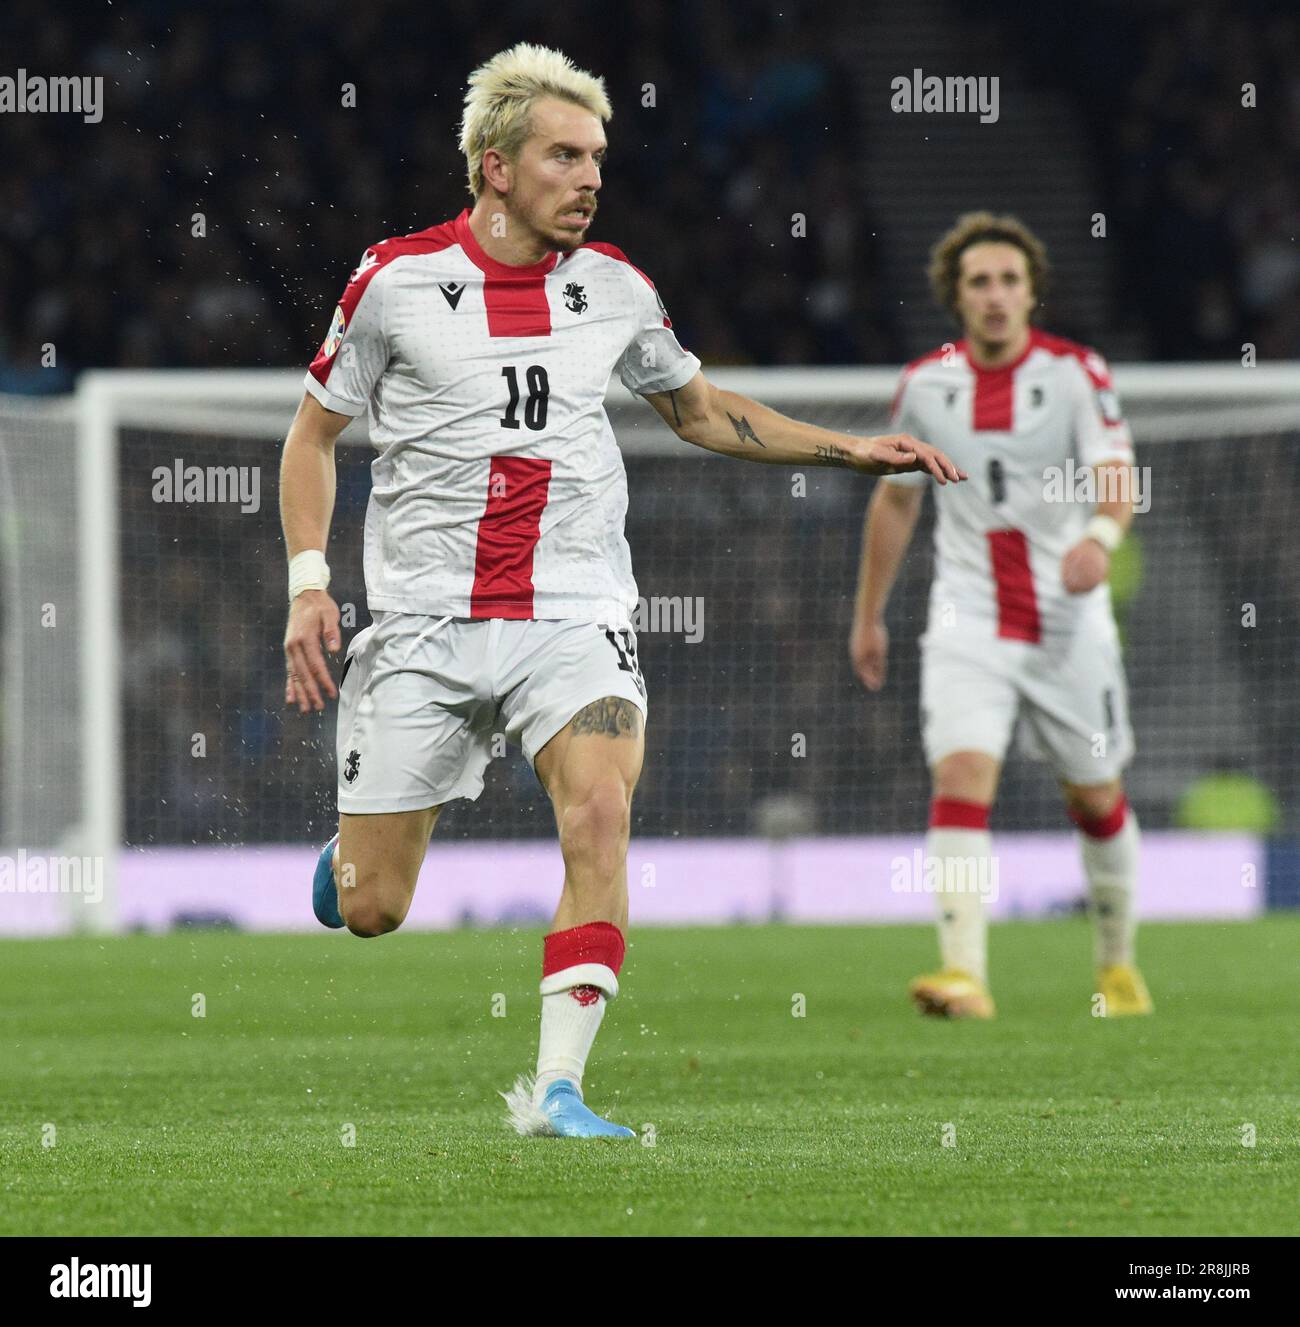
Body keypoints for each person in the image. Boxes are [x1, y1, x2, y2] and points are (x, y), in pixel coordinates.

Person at [280, 43, 964, 1138]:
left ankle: (557, 1089)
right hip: (423, 622)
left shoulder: (616, 288)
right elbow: (310, 439)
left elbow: (697, 411)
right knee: (372, 907)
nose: (590, 175)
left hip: (575, 614)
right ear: (497, 168)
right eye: (564, 155)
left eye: (597, 154)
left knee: (598, 813)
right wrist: (310, 583)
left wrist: (848, 451)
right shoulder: (393, 281)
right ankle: (350, 854)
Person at [850, 211, 1152, 1019]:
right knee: (960, 773)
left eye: (1009, 280)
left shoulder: (1077, 373)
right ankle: (964, 974)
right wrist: (868, 615)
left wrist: (1097, 536)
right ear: (956, 294)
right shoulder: (925, 384)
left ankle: (1118, 966)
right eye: (979, 281)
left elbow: (1118, 478)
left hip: (1066, 618)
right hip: (967, 614)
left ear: (1031, 292)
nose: (995, 295)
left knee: (1095, 794)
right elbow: (896, 501)